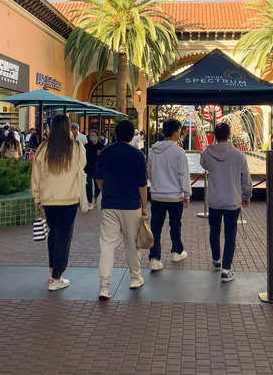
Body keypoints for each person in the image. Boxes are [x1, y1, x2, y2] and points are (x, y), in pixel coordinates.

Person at [31, 114, 87, 291]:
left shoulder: (42, 149)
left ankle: (52, 269)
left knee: (53, 233)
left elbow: (35, 176)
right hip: (69, 199)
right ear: (68, 128)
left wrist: (37, 197)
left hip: (48, 199)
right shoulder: (76, 147)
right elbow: (82, 166)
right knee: (64, 235)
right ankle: (57, 276)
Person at [95, 120, 148, 300]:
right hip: (131, 205)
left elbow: (98, 178)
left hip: (109, 204)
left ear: (115, 134)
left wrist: (106, 192)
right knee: (132, 243)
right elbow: (142, 185)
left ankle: (104, 286)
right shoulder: (137, 155)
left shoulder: (105, 152)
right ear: (132, 135)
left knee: (107, 245)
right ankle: (135, 277)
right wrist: (144, 206)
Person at [200, 122, 252, 282]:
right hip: (232, 200)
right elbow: (246, 178)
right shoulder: (238, 155)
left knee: (214, 231)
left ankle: (216, 260)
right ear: (229, 135)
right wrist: (246, 195)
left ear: (215, 136)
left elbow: (203, 165)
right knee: (230, 234)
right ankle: (226, 270)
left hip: (214, 200)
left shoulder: (207, 153)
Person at [148, 119, 192, 271]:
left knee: (156, 227)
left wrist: (155, 186)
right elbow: (183, 175)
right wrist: (187, 194)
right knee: (175, 225)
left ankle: (154, 258)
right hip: (174, 196)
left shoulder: (153, 151)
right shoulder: (179, 152)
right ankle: (176, 252)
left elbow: (150, 172)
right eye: (179, 130)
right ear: (175, 132)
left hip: (157, 195)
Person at [84, 129, 104, 209]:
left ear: (97, 136)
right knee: (88, 185)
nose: (92, 137)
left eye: (94, 135)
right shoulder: (86, 146)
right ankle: (90, 202)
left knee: (97, 186)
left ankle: (95, 198)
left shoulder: (101, 146)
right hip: (88, 168)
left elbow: (103, 158)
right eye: (91, 135)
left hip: (97, 169)